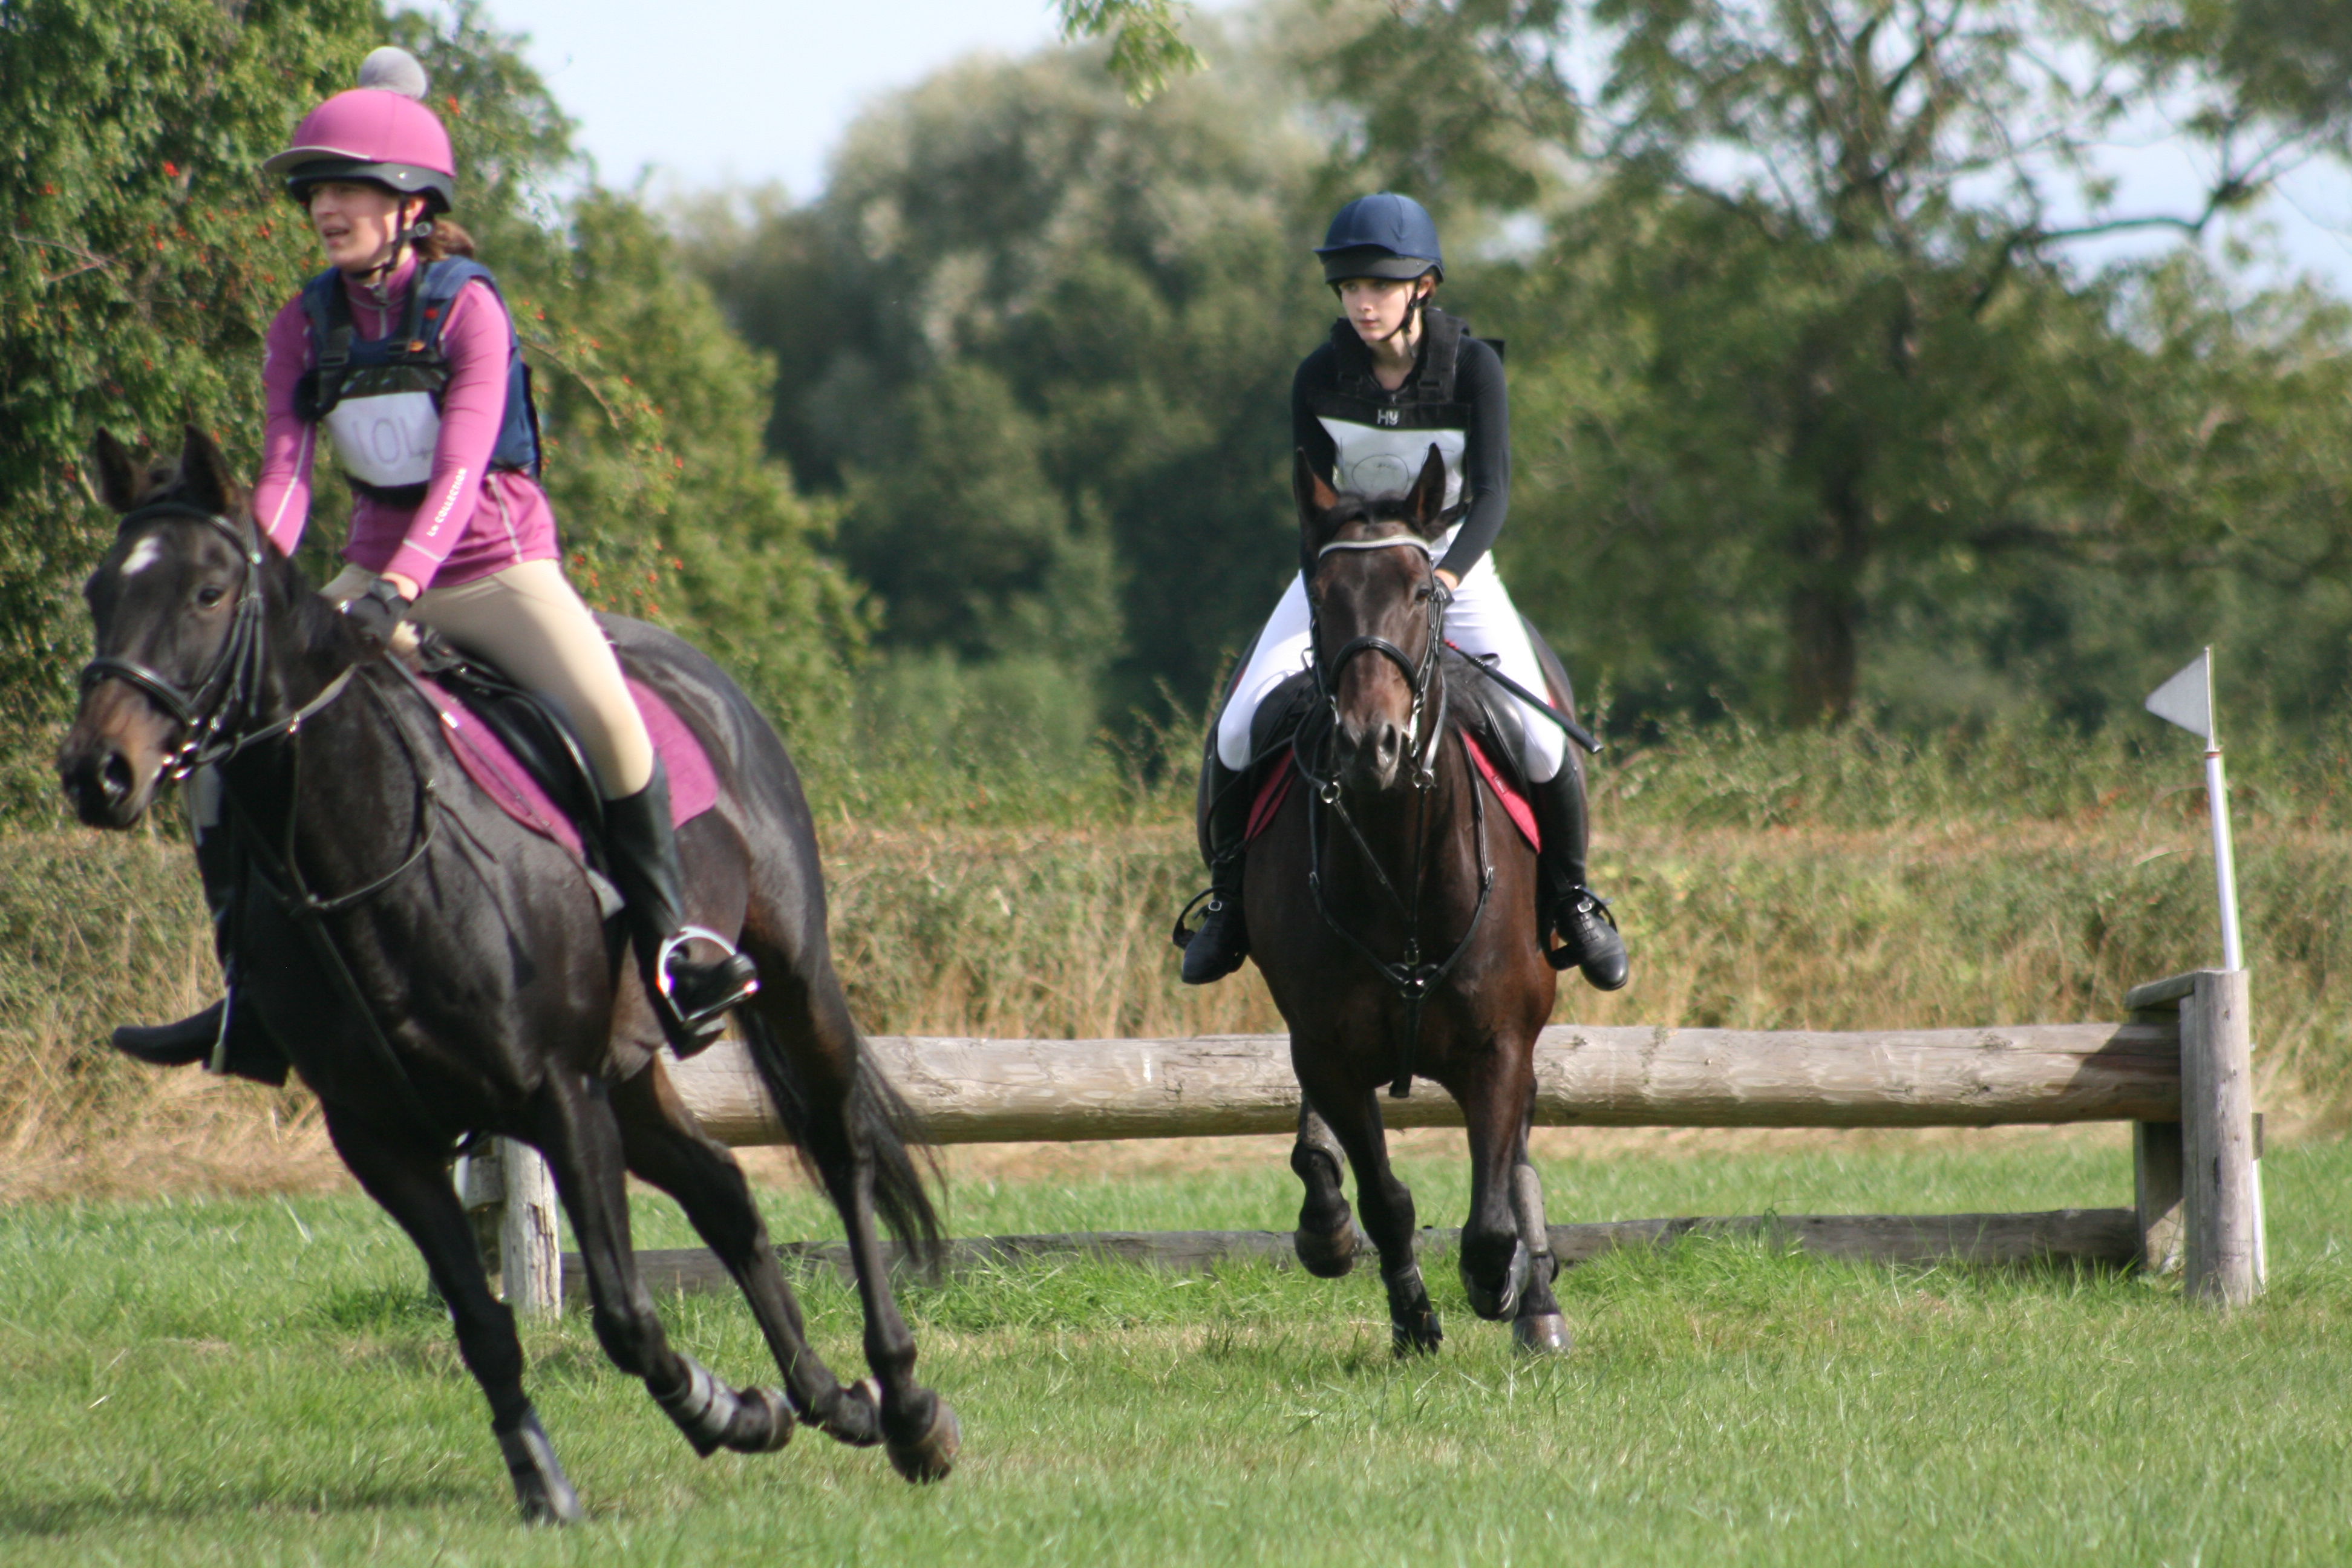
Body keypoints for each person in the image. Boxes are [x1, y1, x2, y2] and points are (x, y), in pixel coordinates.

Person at [113, 48, 757, 1074]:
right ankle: (249, 991)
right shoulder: (304, 322)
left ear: (410, 204)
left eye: (349, 189)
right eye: (317, 192)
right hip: (371, 570)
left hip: (496, 569)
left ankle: (674, 950)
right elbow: (286, 473)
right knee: (222, 737)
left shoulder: (467, 308)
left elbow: (460, 471)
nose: (326, 208)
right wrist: (257, 583)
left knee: (611, 721)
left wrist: (401, 590)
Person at [1177, 192, 1629, 991]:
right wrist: (1326, 589)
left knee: (1540, 735)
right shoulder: (1319, 376)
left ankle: (1573, 899)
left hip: (1453, 566)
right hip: (1347, 574)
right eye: (1351, 287)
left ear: (1423, 287)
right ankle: (1228, 902)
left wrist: (1446, 579)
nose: (1362, 302)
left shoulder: (1474, 368)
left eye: (1380, 286)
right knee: (1239, 726)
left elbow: (1491, 495)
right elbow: (1309, 507)